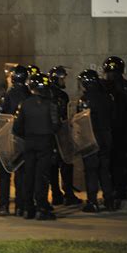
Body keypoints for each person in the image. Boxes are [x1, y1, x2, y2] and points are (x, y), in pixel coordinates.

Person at [13, 73, 59, 220]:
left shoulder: (24, 104)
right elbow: (56, 125)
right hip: (45, 143)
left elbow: (17, 127)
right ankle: (42, 207)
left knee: (29, 176)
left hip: (29, 143)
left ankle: (28, 208)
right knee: (42, 176)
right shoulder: (51, 105)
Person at [101, 56, 127, 201]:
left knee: (112, 162)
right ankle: (119, 190)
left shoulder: (105, 87)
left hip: (112, 130)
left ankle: (114, 190)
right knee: (120, 162)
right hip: (120, 129)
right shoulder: (125, 86)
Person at [77, 70, 114, 212]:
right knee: (104, 170)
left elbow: (81, 120)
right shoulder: (107, 97)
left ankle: (92, 201)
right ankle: (109, 200)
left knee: (91, 171)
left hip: (91, 137)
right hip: (106, 137)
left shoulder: (85, 100)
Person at [0, 65, 29, 216]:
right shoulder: (29, 95)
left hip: (7, 139)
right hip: (24, 140)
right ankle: (20, 206)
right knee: (21, 174)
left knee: (4, 173)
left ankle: (3, 205)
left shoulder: (7, 95)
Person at [48, 66, 82, 206]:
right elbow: (64, 116)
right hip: (61, 133)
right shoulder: (62, 96)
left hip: (49, 135)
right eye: (62, 78)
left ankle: (56, 194)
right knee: (66, 164)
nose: (64, 81)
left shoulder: (46, 93)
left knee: (53, 166)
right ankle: (68, 193)